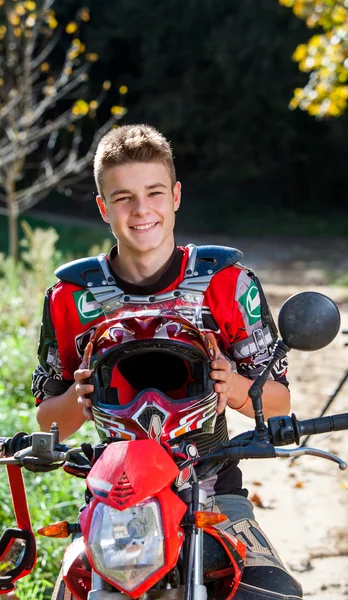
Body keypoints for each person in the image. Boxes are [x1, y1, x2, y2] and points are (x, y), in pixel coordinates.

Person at [32, 124, 302, 599]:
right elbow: (48, 418)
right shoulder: (71, 297)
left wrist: (233, 386)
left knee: (274, 591)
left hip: (215, 488)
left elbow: (278, 402)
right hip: (114, 503)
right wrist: (79, 397)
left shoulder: (226, 282)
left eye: (154, 192)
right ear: (102, 207)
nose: (141, 210)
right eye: (123, 198)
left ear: (176, 196)